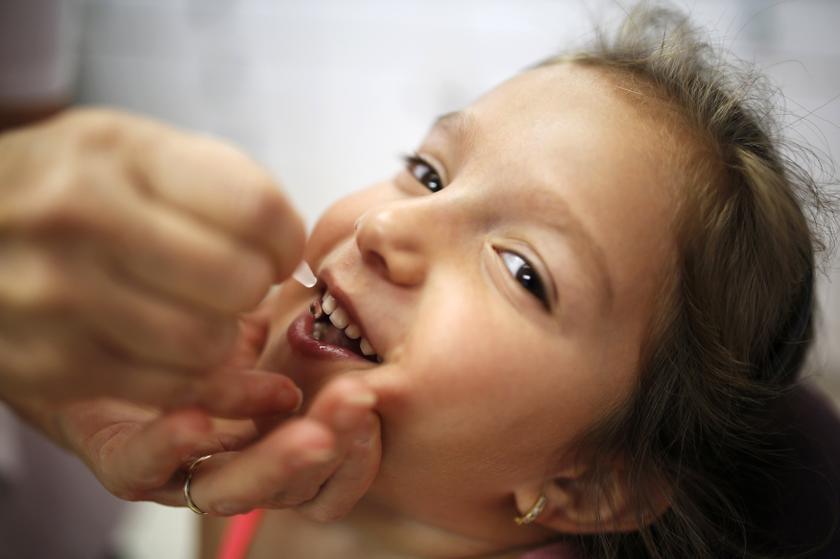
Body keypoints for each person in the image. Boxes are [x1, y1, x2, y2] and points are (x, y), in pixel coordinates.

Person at [3, 3, 839, 558]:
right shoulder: (243, 459)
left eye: (524, 271)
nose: (386, 228)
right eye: (429, 173)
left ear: (588, 483)